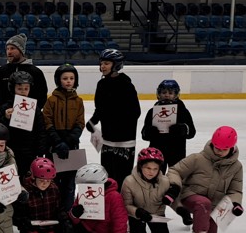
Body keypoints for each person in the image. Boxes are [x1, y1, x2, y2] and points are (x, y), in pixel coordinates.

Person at [165, 126, 244, 233]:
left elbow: (235, 189)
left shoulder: (236, 167)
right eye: (217, 148)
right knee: (203, 203)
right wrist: (174, 186)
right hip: (190, 196)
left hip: (213, 205)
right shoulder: (197, 159)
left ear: (232, 148)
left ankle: (202, 228)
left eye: (224, 149)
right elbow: (175, 171)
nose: (219, 152)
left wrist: (236, 204)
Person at [87, 47, 141, 191]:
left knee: (122, 178)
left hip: (124, 141)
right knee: (108, 177)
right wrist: (93, 121)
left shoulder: (126, 86)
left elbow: (135, 112)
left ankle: (122, 204)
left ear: (116, 65)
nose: (102, 66)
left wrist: (117, 122)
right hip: (107, 139)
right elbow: (100, 108)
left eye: (106, 63)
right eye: (101, 63)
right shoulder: (101, 84)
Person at [42, 62, 85, 208]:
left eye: (71, 78)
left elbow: (80, 123)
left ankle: (67, 210)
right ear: (58, 80)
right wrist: (58, 142)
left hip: (71, 147)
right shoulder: (51, 100)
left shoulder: (78, 101)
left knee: (69, 183)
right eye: (65, 78)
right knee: (53, 181)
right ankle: (53, 210)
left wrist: (68, 141)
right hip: (54, 146)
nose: (68, 81)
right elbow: (47, 121)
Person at [66, 162, 127, 233]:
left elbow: (120, 224)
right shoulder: (84, 192)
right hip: (84, 229)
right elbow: (73, 216)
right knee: (64, 231)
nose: (84, 187)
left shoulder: (114, 197)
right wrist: (74, 214)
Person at [121, 147, 175, 233]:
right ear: (140, 166)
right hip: (137, 216)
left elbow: (175, 201)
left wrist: (177, 204)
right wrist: (137, 212)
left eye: (155, 169)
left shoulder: (165, 181)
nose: (151, 172)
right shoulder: (129, 181)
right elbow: (125, 204)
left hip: (157, 215)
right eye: (148, 168)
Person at [141, 79, 196, 172]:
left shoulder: (183, 111)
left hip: (177, 151)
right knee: (156, 176)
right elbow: (144, 134)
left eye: (170, 93)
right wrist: (149, 132)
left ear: (176, 95)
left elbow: (192, 132)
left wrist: (183, 129)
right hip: (157, 151)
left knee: (176, 175)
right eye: (164, 92)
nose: (166, 95)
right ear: (159, 94)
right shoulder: (152, 111)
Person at [13, 157, 63, 233]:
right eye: (41, 180)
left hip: (47, 227)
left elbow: (58, 208)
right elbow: (18, 213)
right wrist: (24, 222)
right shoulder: (25, 191)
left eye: (48, 181)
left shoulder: (54, 189)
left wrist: (62, 218)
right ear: (33, 177)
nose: (45, 183)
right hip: (30, 228)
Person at [2, 69, 47, 178]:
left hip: (29, 152)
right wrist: (5, 118)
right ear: (12, 88)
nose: (23, 91)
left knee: (27, 180)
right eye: (19, 88)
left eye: (26, 88)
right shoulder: (6, 108)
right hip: (10, 151)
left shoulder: (35, 109)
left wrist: (40, 151)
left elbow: (40, 130)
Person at [0, 33, 48, 108]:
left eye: (12, 48)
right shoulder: (0, 72)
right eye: (7, 49)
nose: (9, 52)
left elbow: (42, 97)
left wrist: (32, 111)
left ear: (21, 50)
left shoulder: (35, 72)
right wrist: (3, 111)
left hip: (29, 113)